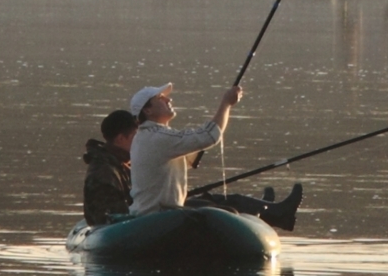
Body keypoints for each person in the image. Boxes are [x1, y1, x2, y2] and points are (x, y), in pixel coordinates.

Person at [129, 82, 302, 231]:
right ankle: (275, 212)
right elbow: (210, 135)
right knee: (229, 209)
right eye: (160, 98)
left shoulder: (148, 136)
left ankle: (268, 210)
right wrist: (226, 104)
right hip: (158, 216)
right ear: (148, 110)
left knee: (218, 200)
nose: (168, 100)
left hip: (161, 211)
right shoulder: (157, 137)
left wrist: (196, 145)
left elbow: (185, 151)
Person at [82, 109, 137, 227]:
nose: (141, 141)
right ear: (121, 139)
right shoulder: (103, 172)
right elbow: (106, 216)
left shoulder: (121, 165)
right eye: (136, 136)